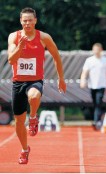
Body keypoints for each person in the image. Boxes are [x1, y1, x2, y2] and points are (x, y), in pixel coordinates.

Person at [7, 7, 67, 164]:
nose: (27, 23)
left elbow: (56, 57)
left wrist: (61, 78)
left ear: (35, 21)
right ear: (21, 21)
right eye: (24, 20)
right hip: (18, 82)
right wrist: (19, 47)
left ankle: (33, 117)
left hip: (35, 80)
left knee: (33, 96)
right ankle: (25, 149)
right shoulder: (14, 37)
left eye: (30, 20)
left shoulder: (44, 37)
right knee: (19, 121)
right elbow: (11, 60)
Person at [80, 43, 106, 130]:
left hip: (102, 85)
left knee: (98, 103)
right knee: (95, 103)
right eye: (94, 49)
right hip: (92, 85)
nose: (96, 51)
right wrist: (83, 81)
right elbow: (84, 72)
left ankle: (96, 121)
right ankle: (98, 119)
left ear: (101, 50)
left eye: (98, 50)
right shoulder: (89, 60)